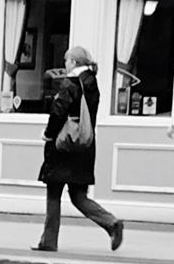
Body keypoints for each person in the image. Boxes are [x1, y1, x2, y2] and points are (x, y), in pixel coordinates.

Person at [33, 46, 124, 252]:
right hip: (84, 147)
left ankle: (49, 241)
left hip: (63, 146)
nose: (65, 64)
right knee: (78, 196)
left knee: (54, 194)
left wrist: (48, 134)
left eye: (67, 61)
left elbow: (58, 112)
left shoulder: (71, 84)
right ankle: (111, 222)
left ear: (74, 61)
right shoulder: (92, 83)